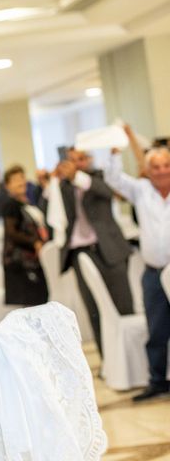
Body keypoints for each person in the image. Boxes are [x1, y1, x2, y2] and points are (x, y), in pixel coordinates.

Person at [53, 148, 134, 357]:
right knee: (94, 308)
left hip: (109, 247)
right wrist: (57, 181)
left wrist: (77, 177)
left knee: (122, 302)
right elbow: (53, 212)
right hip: (80, 251)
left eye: (80, 159)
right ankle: (108, 359)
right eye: (72, 160)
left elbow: (107, 193)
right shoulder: (64, 185)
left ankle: (130, 356)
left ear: (88, 160)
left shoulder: (99, 176)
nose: (76, 164)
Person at [104, 144, 170, 402]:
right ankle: (156, 380)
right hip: (153, 273)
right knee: (156, 329)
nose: (162, 171)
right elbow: (113, 178)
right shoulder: (141, 191)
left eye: (166, 165)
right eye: (155, 166)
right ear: (147, 170)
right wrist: (114, 154)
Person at [1, 165, 49, 307]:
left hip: (32, 261)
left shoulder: (26, 202)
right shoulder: (11, 206)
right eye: (15, 180)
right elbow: (12, 232)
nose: (21, 182)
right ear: (7, 186)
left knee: (39, 301)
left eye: (22, 177)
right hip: (21, 263)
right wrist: (34, 242)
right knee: (31, 305)